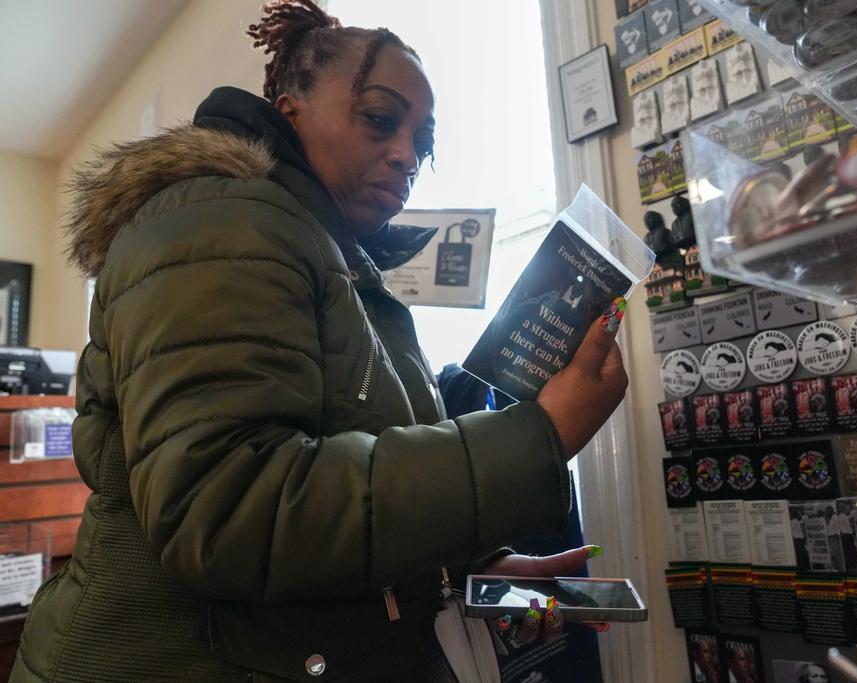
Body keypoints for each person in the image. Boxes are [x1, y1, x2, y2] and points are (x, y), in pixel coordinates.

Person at [11, 2, 628, 681]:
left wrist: (459, 571)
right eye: (380, 118)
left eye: (422, 142)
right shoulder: (223, 219)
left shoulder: (330, 260)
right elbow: (226, 511)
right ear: (289, 108)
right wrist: (538, 437)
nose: (405, 154)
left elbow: (339, 474)